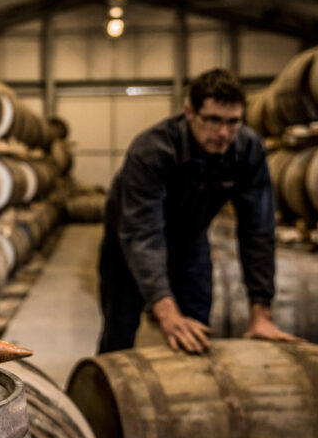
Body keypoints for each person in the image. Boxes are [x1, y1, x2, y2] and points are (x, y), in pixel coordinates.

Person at [97, 67, 303, 354]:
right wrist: (166, 312)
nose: (223, 133)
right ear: (190, 112)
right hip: (128, 245)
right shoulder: (153, 150)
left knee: (196, 328)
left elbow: (258, 232)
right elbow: (142, 234)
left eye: (233, 122)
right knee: (121, 327)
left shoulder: (247, 150)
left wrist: (261, 313)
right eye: (213, 120)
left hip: (189, 241)